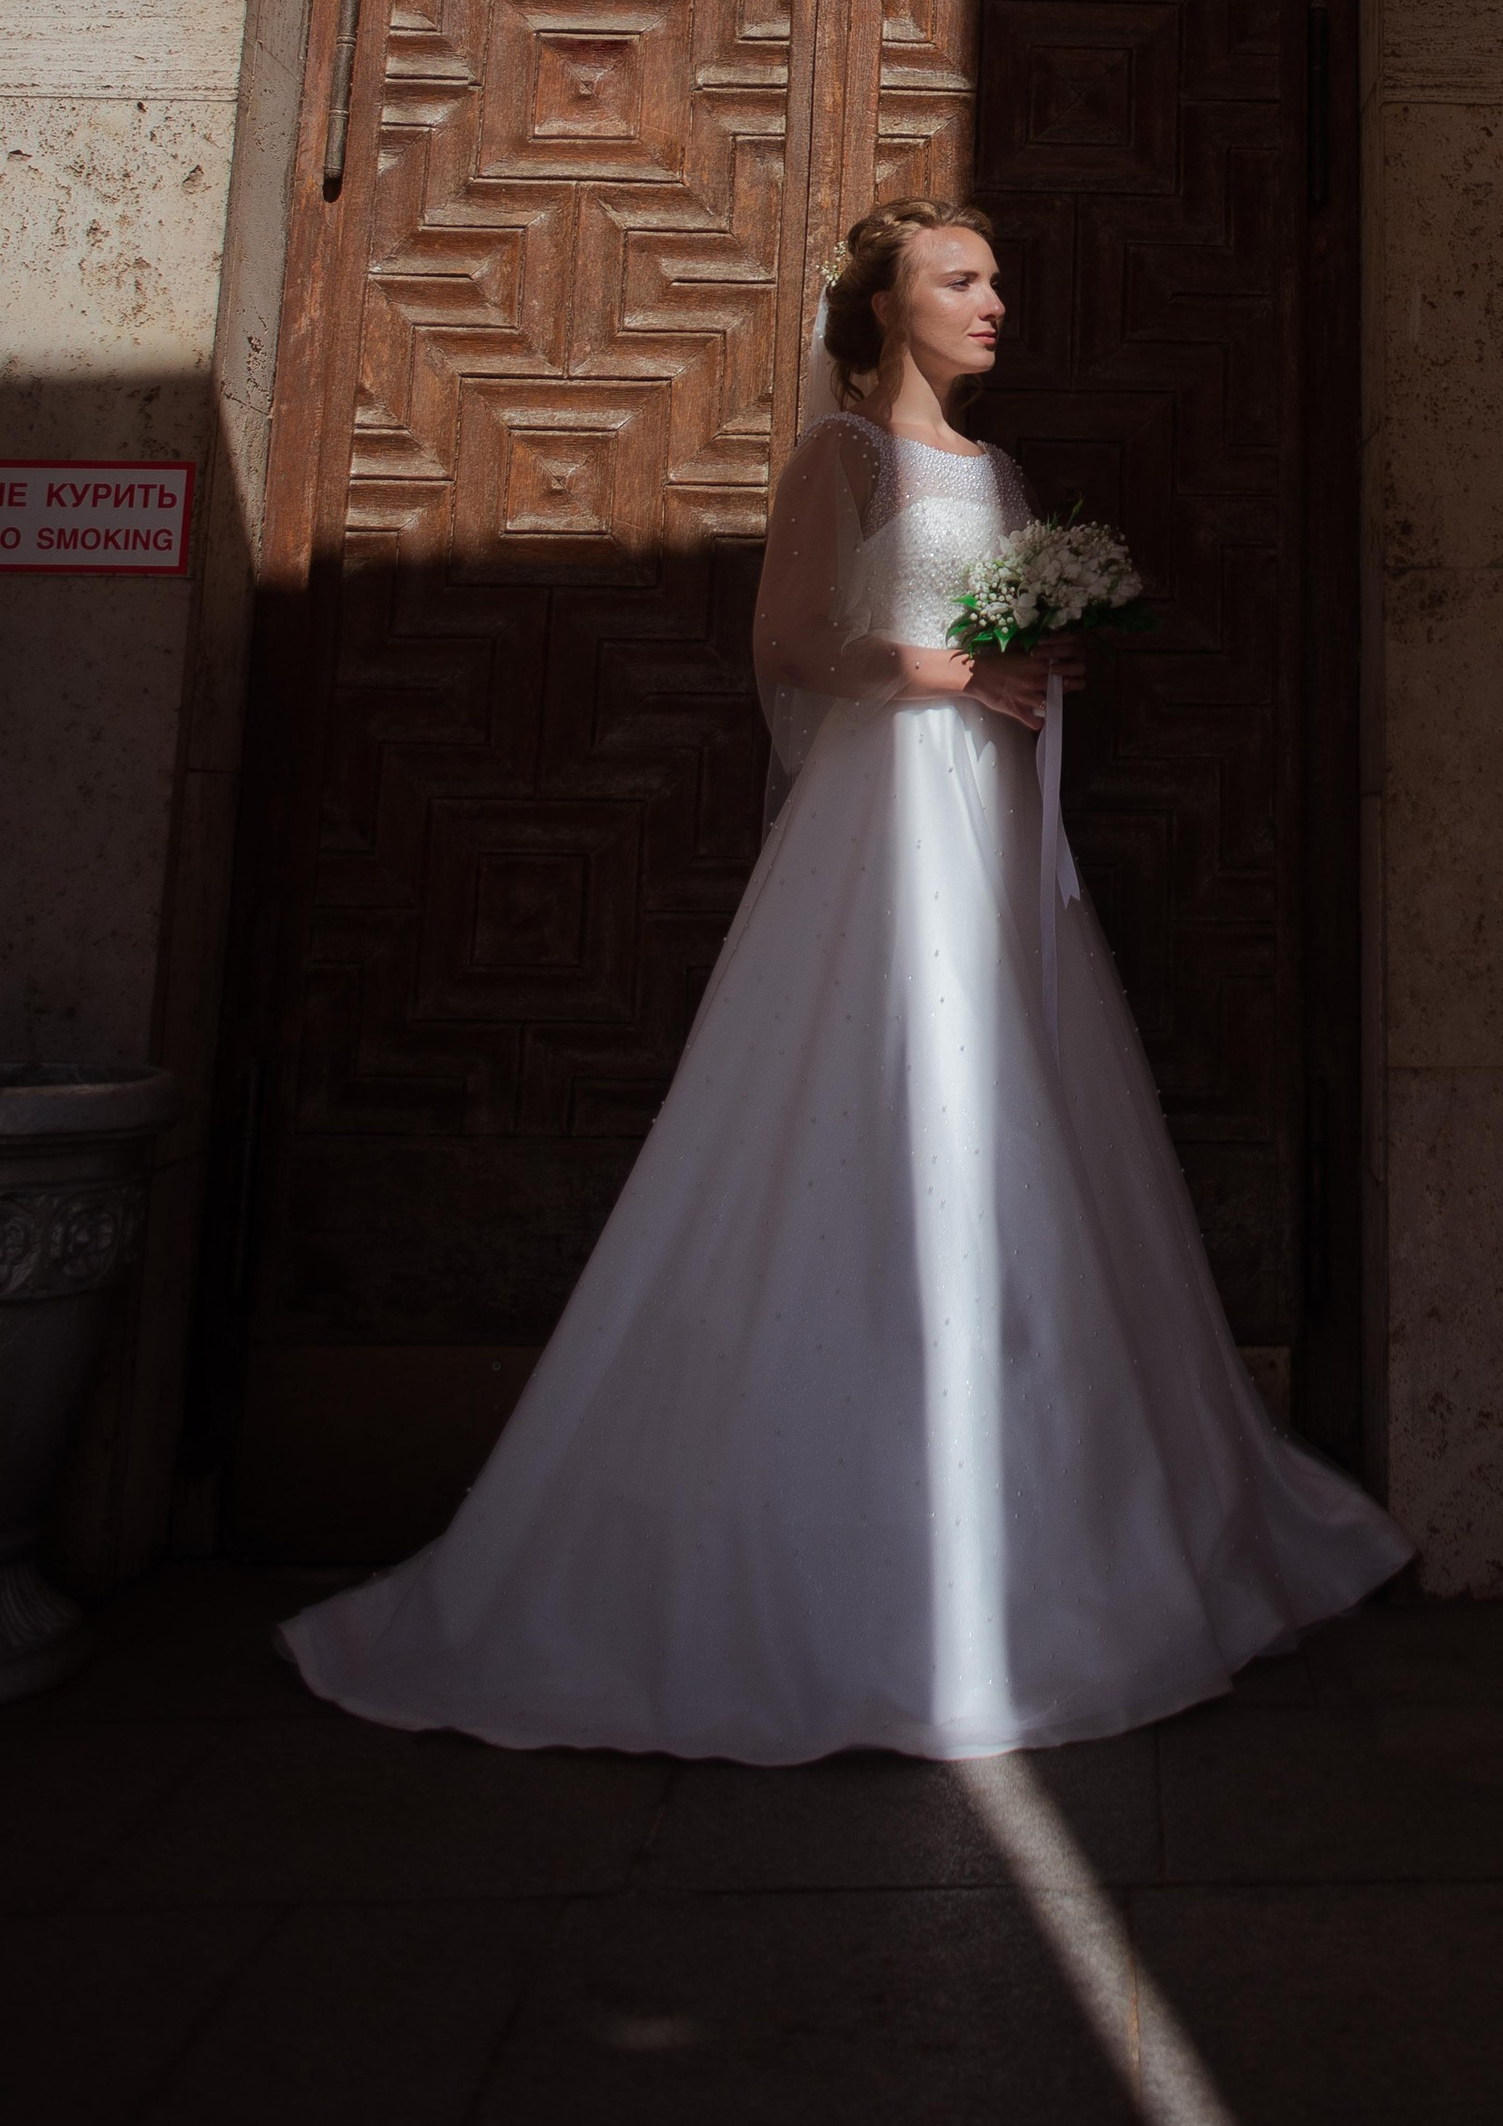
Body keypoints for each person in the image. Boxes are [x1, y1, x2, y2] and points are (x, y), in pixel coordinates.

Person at [282, 199, 1406, 1760]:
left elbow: (975, 626)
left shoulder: (996, 473)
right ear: (886, 311)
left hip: (991, 822)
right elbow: (793, 641)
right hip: (885, 832)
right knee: (884, 1105)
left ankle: (1077, 1538)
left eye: (999, 276)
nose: (996, 301)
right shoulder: (843, 461)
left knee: (1019, 1119)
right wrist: (965, 667)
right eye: (961, 279)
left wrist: (1036, 653)